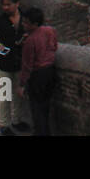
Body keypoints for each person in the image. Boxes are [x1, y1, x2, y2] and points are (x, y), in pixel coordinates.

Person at [0, 0, 30, 135]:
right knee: (5, 94)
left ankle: (16, 120)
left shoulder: (25, 18)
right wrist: (1, 48)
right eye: (4, 5)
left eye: (8, 4)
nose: (5, 8)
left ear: (17, 4)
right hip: (4, 63)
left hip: (20, 63)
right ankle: (4, 124)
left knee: (18, 94)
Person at [19, 7, 58, 136]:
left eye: (26, 23)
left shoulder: (30, 41)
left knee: (37, 109)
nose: (23, 25)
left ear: (34, 24)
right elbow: (54, 47)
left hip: (38, 75)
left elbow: (27, 65)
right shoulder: (50, 31)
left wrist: (22, 84)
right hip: (51, 71)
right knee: (46, 106)